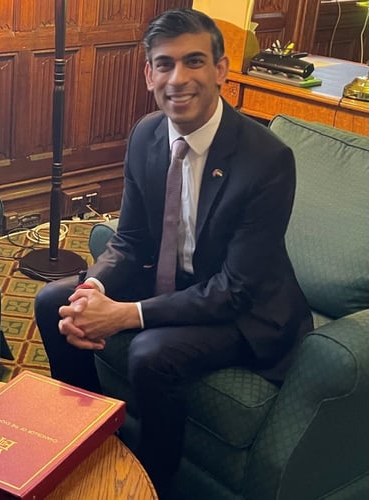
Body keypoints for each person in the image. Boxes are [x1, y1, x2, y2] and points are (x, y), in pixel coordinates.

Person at [34, 8, 312, 497]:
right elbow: (132, 240)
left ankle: (152, 482)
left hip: (247, 311)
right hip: (179, 283)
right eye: (164, 64)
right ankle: (91, 442)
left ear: (221, 70)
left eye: (194, 62)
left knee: (148, 353)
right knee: (55, 299)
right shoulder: (145, 134)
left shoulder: (266, 160)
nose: (178, 79)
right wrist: (94, 288)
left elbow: (235, 289)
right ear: (148, 74)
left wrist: (124, 314)